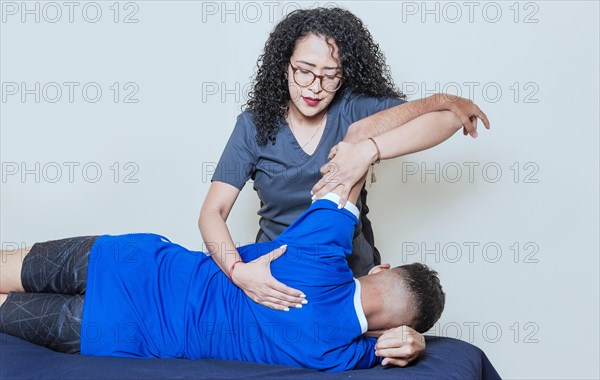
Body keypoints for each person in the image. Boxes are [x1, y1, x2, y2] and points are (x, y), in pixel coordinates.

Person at [199, 7, 489, 328]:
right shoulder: (253, 126)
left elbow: (449, 119)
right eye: (304, 71)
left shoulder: (353, 111)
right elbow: (212, 212)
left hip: (350, 276)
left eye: (330, 75)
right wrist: (241, 273)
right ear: (284, 66)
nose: (315, 87)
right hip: (278, 275)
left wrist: (368, 149)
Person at [0, 175, 445, 372]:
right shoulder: (338, 356)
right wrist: (413, 344)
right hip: (112, 333)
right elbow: (387, 352)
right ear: (395, 330)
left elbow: (357, 152)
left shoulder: (320, 249)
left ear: (381, 267)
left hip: (128, 263)